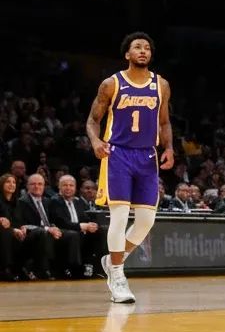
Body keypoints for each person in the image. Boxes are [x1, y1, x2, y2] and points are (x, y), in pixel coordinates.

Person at [86, 32, 174, 303]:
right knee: (120, 216)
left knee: (146, 221)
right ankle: (118, 277)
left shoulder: (161, 85)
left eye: (147, 48)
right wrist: (95, 141)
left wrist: (169, 148)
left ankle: (113, 260)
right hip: (118, 155)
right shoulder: (111, 84)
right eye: (137, 47)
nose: (143, 51)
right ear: (127, 54)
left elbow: (164, 122)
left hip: (147, 156)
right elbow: (92, 120)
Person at [49, 174, 107, 277]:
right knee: (74, 235)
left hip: (78, 232)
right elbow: (62, 222)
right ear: (59, 186)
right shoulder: (55, 201)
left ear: (75, 188)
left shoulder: (78, 202)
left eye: (71, 185)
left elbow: (85, 218)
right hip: (63, 233)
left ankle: (98, 268)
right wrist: (82, 226)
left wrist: (92, 225)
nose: (68, 188)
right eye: (65, 185)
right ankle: (76, 270)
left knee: (100, 231)